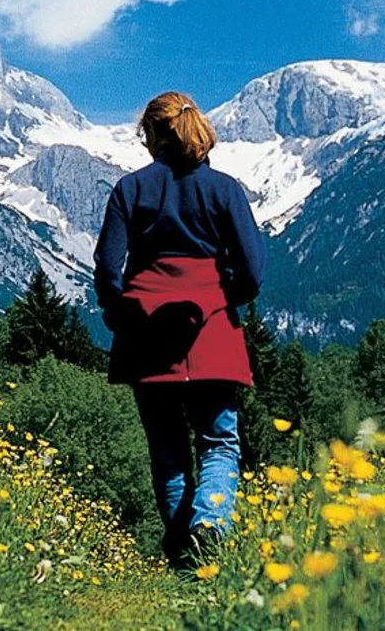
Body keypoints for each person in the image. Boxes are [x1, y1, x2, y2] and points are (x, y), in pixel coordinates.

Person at [93, 91, 267, 571]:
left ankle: (182, 556)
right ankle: (210, 523)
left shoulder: (130, 189)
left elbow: (108, 270)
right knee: (219, 441)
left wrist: (121, 314)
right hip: (211, 331)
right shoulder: (225, 190)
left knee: (167, 452)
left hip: (146, 336)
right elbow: (252, 271)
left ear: (152, 134)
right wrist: (219, 299)